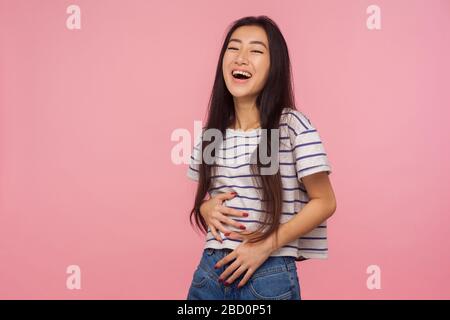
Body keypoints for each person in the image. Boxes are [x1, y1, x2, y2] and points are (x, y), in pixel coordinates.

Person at [186, 15, 337, 300]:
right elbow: (211, 199)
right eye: (233, 48)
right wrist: (206, 209)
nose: (241, 58)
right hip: (211, 269)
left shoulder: (291, 126)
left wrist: (264, 246)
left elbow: (325, 201)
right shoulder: (212, 133)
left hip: (268, 272)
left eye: (256, 51)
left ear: (274, 68)